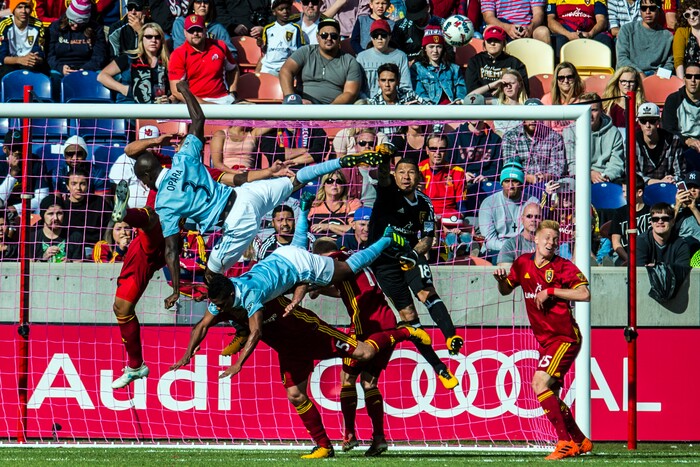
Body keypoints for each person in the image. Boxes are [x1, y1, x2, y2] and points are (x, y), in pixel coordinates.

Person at [132, 80, 391, 308]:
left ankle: (239, 310)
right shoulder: (182, 158)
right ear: (158, 164)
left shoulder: (163, 204)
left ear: (145, 179)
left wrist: (176, 289)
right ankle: (342, 161)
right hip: (245, 195)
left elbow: (171, 251)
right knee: (296, 179)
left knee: (212, 276)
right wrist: (185, 91)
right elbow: (199, 120)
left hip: (235, 225)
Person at [173, 288, 429, 459]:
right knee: (295, 394)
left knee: (365, 354)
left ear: (231, 295)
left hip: (312, 333)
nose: (216, 308)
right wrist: (187, 354)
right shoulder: (220, 304)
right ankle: (324, 445)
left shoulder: (254, 295)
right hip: (290, 349)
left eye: (220, 304)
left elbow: (257, 332)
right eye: (214, 305)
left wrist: (239, 363)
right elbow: (201, 326)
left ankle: (406, 331)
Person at [493, 220, 593, 460]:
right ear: (535, 239)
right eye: (546, 237)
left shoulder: (562, 267)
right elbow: (506, 289)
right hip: (546, 340)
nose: (551, 242)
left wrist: (551, 291)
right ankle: (580, 440)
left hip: (565, 337)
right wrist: (500, 281)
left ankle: (564, 442)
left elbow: (585, 293)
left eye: (555, 239)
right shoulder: (522, 263)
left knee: (539, 384)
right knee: (550, 395)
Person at [368, 156, 462, 389]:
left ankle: (451, 336)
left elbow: (428, 236)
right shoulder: (387, 194)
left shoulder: (425, 203)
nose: (405, 177)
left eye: (410, 173)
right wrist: (384, 159)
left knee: (425, 293)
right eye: (401, 172)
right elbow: (382, 176)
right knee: (408, 315)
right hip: (384, 263)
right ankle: (439, 368)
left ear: (418, 177)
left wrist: (415, 253)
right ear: (395, 175)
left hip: (410, 255)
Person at [312, 238, 396, 457]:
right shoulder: (352, 260)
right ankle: (379, 438)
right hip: (387, 323)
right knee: (369, 382)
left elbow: (324, 269)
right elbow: (343, 291)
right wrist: (321, 291)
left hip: (365, 327)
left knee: (347, 379)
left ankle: (349, 433)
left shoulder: (336, 259)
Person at [279, 18, 363, 104]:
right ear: (318, 37)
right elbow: (286, 71)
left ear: (339, 38)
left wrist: (327, 112)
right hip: (303, 104)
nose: (329, 38)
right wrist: (293, 99)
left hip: (334, 110)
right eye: (324, 35)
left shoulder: (350, 61)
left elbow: (350, 93)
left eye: (333, 35)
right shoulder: (305, 52)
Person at [168, 15, 239, 104]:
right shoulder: (178, 54)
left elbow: (233, 69)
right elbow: (176, 91)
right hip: (193, 103)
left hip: (223, 100)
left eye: (199, 30)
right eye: (191, 30)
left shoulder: (220, 46)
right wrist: (205, 104)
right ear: (185, 33)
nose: (195, 33)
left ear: (205, 30)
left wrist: (233, 93)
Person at [98, 22, 172, 104]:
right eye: (149, 37)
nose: (153, 40)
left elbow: (174, 91)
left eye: (157, 37)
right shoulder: (128, 58)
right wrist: (123, 89)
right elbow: (102, 76)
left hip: (156, 107)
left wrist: (170, 100)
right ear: (142, 39)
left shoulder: (167, 62)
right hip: (129, 104)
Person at [478, 163, 539, 261]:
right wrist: (511, 248)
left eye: (515, 181)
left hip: (525, 249)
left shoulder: (533, 202)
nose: (510, 186)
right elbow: (489, 240)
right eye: (507, 181)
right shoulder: (488, 203)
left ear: (521, 183)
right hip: (496, 250)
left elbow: (534, 233)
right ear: (501, 183)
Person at [563, 92, 625, 183]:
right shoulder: (570, 131)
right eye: (585, 110)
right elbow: (572, 164)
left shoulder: (614, 132)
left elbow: (617, 164)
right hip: (580, 177)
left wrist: (606, 176)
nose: (589, 115)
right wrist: (589, 174)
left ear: (601, 111)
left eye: (594, 110)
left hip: (607, 177)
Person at [502, 98, 566, 183]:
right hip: (520, 184)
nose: (533, 120)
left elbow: (558, 166)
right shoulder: (510, 137)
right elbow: (510, 166)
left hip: (549, 183)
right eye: (529, 116)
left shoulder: (555, 137)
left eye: (536, 115)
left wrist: (545, 177)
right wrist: (528, 178)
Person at [637, 202, 692, 299]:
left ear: (672, 222)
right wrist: (668, 268)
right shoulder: (641, 242)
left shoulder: (681, 244)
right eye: (655, 219)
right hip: (643, 294)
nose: (660, 221)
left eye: (665, 219)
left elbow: (682, 272)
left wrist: (656, 267)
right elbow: (640, 271)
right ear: (651, 222)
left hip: (675, 296)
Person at [46, 0, 107, 85]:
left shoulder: (96, 29)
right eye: (72, 22)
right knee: (53, 78)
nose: (76, 26)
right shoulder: (56, 27)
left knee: (102, 78)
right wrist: (60, 68)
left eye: (80, 23)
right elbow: (50, 55)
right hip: (61, 68)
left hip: (87, 68)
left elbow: (99, 56)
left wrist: (85, 68)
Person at [464, 25, 529, 98]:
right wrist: (490, 96)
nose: (492, 43)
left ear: (503, 43)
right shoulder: (475, 61)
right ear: (484, 42)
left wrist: (500, 95)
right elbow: (471, 90)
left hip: (507, 103)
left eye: (497, 40)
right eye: (489, 40)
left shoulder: (515, 63)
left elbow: (523, 89)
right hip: (481, 102)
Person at [409, 25, 466, 105]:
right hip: (429, 110)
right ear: (425, 48)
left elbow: (461, 90)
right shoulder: (417, 69)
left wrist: (459, 100)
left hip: (452, 109)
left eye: (439, 47)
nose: (435, 51)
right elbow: (419, 92)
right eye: (431, 47)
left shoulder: (454, 69)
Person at [63, 167, 112, 258]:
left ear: (88, 185)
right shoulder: (62, 207)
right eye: (74, 184)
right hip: (70, 252)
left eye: (82, 184)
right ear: (67, 186)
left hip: (96, 250)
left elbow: (111, 226)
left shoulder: (98, 203)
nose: (78, 188)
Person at [369, 63, 430, 136]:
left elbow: (431, 110)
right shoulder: (373, 104)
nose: (387, 84)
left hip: (407, 143)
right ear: (378, 82)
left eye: (391, 80)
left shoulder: (409, 96)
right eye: (383, 80)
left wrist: (418, 107)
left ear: (398, 81)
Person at [356, 19, 411, 99]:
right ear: (371, 38)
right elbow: (357, 87)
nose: (379, 38)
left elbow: (406, 86)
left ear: (389, 37)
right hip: (367, 104)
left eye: (383, 35)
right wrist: (368, 102)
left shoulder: (401, 56)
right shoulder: (361, 57)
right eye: (375, 35)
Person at [616, 0, 674, 76]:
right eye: (644, 8)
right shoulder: (627, 30)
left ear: (659, 10)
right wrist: (639, 73)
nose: (648, 12)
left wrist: (660, 75)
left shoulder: (667, 36)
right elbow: (622, 59)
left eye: (652, 8)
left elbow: (670, 63)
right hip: (631, 75)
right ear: (640, 11)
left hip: (657, 76)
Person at [418, 133, 467, 220]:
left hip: (449, 218)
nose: (437, 153)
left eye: (442, 149)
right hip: (425, 216)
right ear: (427, 150)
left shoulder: (457, 172)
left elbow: (462, 207)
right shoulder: (418, 170)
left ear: (447, 150)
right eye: (433, 149)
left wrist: (457, 221)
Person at [0, 129, 50, 215]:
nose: (18, 152)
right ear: (5, 149)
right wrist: (13, 173)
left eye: (21, 148)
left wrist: (16, 208)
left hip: (29, 213)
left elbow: (42, 198)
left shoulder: (36, 162)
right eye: (14, 148)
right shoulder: (1, 163)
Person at [662, 62, 700, 172]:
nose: (693, 80)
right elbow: (668, 130)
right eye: (689, 76)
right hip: (681, 146)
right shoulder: (674, 100)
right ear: (684, 79)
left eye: (697, 77)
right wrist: (687, 140)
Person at [635, 102, 685, 185]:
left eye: (652, 121)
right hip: (642, 190)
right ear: (638, 122)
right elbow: (632, 175)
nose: (648, 125)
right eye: (643, 121)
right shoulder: (632, 142)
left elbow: (680, 173)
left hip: (668, 187)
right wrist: (659, 182)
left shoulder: (673, 140)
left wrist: (671, 179)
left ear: (658, 121)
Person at [546, 0, 614, 60]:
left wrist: (590, 34)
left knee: (605, 39)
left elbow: (602, 20)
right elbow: (550, 21)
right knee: (559, 39)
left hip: (589, 32)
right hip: (564, 32)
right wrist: (568, 35)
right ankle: (562, 71)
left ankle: (602, 73)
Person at [610, 175, 652, 266]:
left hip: (647, 257)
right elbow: (616, 242)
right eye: (623, 191)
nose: (624, 195)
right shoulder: (619, 213)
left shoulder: (651, 212)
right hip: (625, 257)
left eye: (627, 191)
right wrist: (629, 259)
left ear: (639, 192)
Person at [257, 0, 305, 76]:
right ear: (274, 12)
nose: (285, 11)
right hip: (267, 67)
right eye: (281, 9)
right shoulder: (268, 28)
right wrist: (262, 45)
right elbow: (266, 50)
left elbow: (300, 49)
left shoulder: (296, 28)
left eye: (287, 8)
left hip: (285, 67)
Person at [0, 0, 46, 79]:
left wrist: (35, 59)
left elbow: (40, 52)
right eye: (19, 7)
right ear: (13, 10)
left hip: (30, 64)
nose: (23, 11)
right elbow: (1, 57)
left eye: (27, 7)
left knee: (40, 73)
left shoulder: (38, 25)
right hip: (9, 64)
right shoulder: (4, 24)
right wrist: (19, 60)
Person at [29, 195, 83, 262]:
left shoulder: (75, 237)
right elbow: (27, 267)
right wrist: (42, 258)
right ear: (43, 215)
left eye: (59, 213)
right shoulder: (32, 238)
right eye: (51, 214)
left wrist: (70, 264)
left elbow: (80, 267)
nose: (55, 218)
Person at [308, 171, 362, 238]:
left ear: (344, 186)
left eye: (339, 181)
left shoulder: (352, 204)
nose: (334, 184)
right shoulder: (313, 206)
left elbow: (356, 230)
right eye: (330, 181)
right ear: (323, 185)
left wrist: (329, 226)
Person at [171, 0, 236, 53]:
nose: (202, 5)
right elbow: (179, 50)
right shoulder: (181, 24)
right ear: (193, 5)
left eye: (206, 2)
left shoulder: (217, 28)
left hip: (213, 63)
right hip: (189, 64)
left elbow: (232, 52)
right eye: (198, 2)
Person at [481, 0, 550, 42]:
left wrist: (530, 28)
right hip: (503, 26)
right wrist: (507, 28)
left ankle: (544, 65)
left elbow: (538, 13)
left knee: (542, 32)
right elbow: (488, 17)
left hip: (528, 27)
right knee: (490, 29)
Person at [497, 202, 541, 267]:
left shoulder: (549, 243)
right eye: (529, 216)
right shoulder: (511, 244)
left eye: (537, 217)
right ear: (522, 219)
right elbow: (504, 269)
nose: (533, 220)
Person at [491, 69, 529, 135]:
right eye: (505, 84)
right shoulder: (496, 103)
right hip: (500, 143)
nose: (509, 87)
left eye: (512, 83)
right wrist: (492, 85)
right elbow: (470, 99)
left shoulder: (526, 106)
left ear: (519, 85)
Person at [674, 171, 700, 253]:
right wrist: (677, 205)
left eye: (696, 187)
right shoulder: (675, 208)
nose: (692, 190)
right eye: (689, 187)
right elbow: (666, 227)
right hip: (681, 250)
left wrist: (694, 209)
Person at [673, 0, 700, 79]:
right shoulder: (681, 32)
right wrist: (682, 82)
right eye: (687, 15)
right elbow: (678, 60)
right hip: (688, 78)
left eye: (695, 13)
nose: (691, 17)